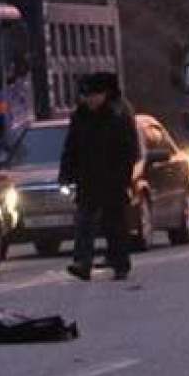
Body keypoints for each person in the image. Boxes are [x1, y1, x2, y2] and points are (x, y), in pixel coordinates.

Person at [58, 71, 139, 281]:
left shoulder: (118, 114)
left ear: (105, 94)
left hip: (113, 178)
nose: (90, 100)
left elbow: (130, 149)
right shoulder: (81, 116)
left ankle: (121, 263)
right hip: (88, 177)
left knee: (114, 223)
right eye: (86, 96)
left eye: (94, 95)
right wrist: (65, 174)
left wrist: (123, 177)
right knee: (84, 222)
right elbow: (71, 146)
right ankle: (82, 263)